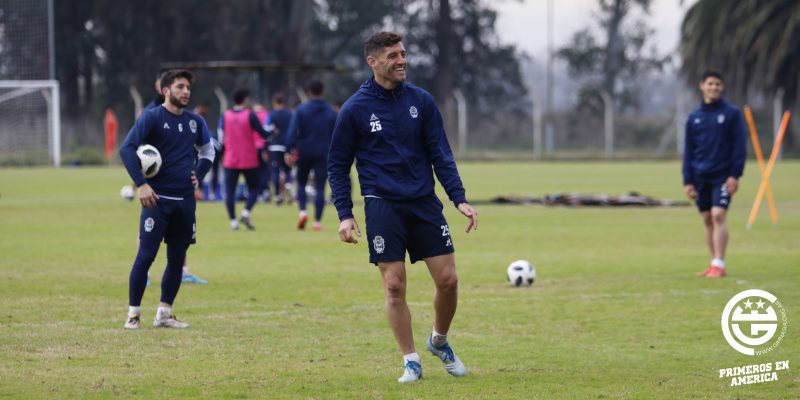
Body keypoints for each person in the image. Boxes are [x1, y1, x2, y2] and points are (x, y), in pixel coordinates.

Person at [327, 32, 478, 383]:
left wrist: (459, 197)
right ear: (373, 62)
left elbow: (441, 153)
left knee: (449, 281)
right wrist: (345, 214)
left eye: (403, 54)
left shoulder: (421, 101)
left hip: (424, 202)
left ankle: (438, 341)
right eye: (393, 55)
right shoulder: (355, 109)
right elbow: (337, 164)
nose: (402, 61)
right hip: (383, 206)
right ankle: (411, 360)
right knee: (394, 286)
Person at [119, 69, 215, 329]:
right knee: (146, 256)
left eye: (188, 88)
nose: (186, 92)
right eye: (180, 87)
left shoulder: (195, 122)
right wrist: (141, 185)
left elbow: (208, 151)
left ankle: (164, 313)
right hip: (156, 200)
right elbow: (127, 148)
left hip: (185, 201)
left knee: (176, 258)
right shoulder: (152, 117)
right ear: (166, 90)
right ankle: (133, 315)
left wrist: (199, 174)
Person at [682, 70, 746, 278]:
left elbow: (739, 147)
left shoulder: (732, 114)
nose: (714, 87)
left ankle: (719, 263)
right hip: (700, 176)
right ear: (702, 86)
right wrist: (688, 180)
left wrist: (735, 174)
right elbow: (688, 151)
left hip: (723, 175)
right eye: (710, 83)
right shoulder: (694, 117)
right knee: (708, 219)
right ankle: (714, 263)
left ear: (722, 87)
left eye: (718, 84)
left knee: (718, 215)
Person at [285, 81, 337, 231]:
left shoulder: (301, 110)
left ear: (308, 92)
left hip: (304, 151)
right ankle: (317, 223)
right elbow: (337, 133)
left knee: (301, 183)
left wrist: (289, 149)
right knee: (320, 187)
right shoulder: (330, 111)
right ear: (323, 92)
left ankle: (302, 212)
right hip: (323, 152)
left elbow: (292, 132)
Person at [217, 88, 271, 230]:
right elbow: (262, 132)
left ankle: (233, 221)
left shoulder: (225, 115)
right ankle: (246, 212)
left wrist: (222, 152)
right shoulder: (250, 115)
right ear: (245, 99)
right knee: (255, 187)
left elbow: (221, 137)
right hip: (248, 159)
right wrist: (272, 132)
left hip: (230, 159)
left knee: (230, 191)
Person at [265, 93, 293, 205]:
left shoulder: (272, 114)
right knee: (288, 169)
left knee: (276, 171)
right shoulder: (289, 114)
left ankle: (277, 195)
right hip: (287, 146)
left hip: (275, 146)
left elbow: (266, 128)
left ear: (274, 102)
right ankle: (288, 186)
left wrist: (273, 129)